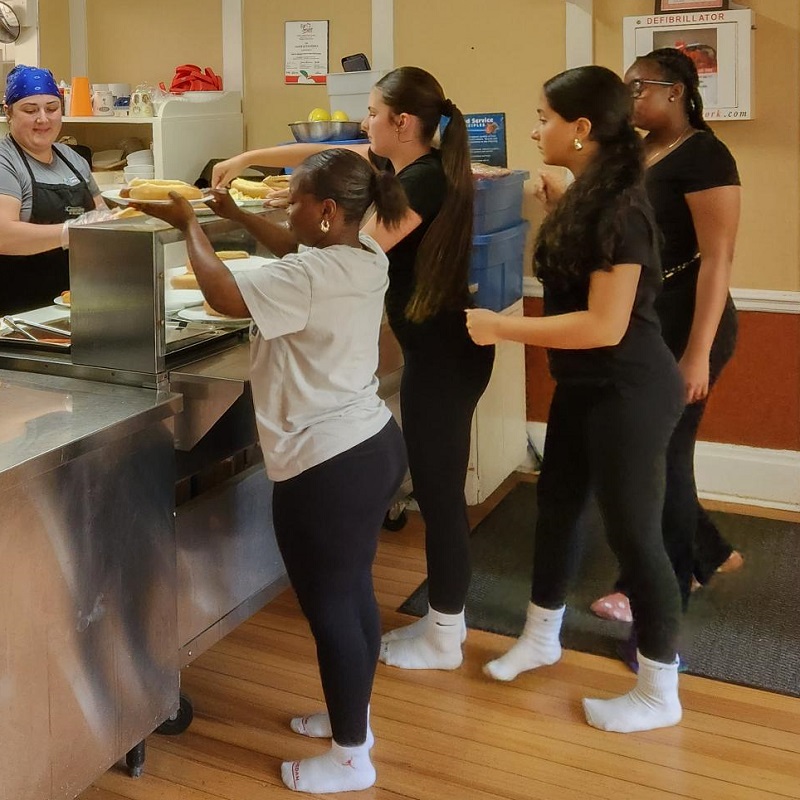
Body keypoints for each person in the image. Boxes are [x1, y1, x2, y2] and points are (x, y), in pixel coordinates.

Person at [137, 149, 408, 793]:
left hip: (327, 466)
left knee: (333, 609)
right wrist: (232, 212)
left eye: (295, 201)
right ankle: (354, 723)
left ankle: (350, 759)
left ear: (327, 211)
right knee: (353, 597)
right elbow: (292, 248)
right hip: (370, 444)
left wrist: (190, 226)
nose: (285, 208)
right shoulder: (364, 256)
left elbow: (226, 296)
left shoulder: (311, 275)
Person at [212, 66, 495, 672]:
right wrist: (249, 159)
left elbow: (340, 253)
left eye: (370, 113)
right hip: (437, 346)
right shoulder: (406, 164)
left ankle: (446, 633)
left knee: (441, 495)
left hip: (447, 353)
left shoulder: (420, 183)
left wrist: (275, 217)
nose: (362, 124)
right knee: (438, 486)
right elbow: (328, 150)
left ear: (402, 122)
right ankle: (444, 624)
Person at [466, 65, 685, 733]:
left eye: (544, 117)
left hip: (630, 390)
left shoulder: (623, 207)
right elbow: (587, 267)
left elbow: (605, 324)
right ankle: (540, 635)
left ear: (581, 129)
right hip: (586, 386)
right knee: (557, 507)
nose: (535, 129)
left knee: (635, 536)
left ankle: (659, 690)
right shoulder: (594, 192)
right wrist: (559, 198)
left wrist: (502, 326)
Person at [590, 47, 743, 627]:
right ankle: (711, 553)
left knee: (662, 453)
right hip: (652, 318)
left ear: (675, 90)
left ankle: (661, 585)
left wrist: (698, 352)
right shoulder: (642, 149)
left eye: (638, 88)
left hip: (691, 321)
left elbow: (717, 262)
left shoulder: (707, 156)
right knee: (663, 449)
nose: (629, 99)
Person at [0, 65, 108, 315]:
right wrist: (68, 232)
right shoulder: (6, 161)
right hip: (19, 312)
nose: (43, 119)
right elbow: (3, 234)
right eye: (30, 110)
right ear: (9, 113)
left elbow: (103, 217)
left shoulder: (72, 158)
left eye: (51, 108)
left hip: (78, 302)